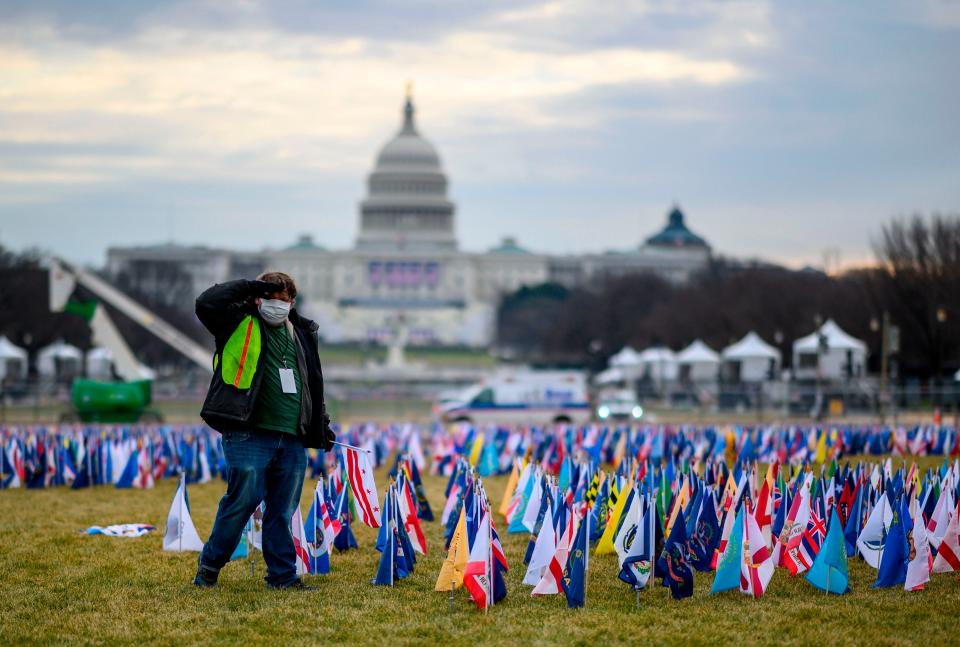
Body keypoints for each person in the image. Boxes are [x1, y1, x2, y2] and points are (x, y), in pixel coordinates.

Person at [192, 271, 335, 589]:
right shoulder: (235, 323)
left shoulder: (302, 332)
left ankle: (282, 577)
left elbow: (312, 384)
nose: (276, 305)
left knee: (283, 512)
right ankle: (209, 568)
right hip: (248, 431)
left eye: (283, 300)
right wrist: (248, 286)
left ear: (292, 302)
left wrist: (320, 424)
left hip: (291, 436)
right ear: (258, 298)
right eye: (270, 298)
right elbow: (205, 302)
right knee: (241, 502)